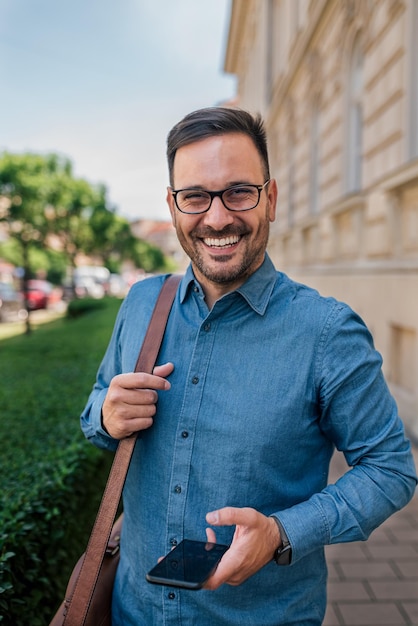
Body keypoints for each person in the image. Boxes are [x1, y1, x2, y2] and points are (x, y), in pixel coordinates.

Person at [81, 107, 417, 626]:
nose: (217, 218)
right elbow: (96, 409)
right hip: (134, 611)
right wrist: (105, 414)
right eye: (195, 197)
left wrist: (284, 533)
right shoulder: (141, 304)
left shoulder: (327, 332)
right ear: (173, 209)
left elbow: (391, 469)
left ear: (271, 199)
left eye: (239, 191)